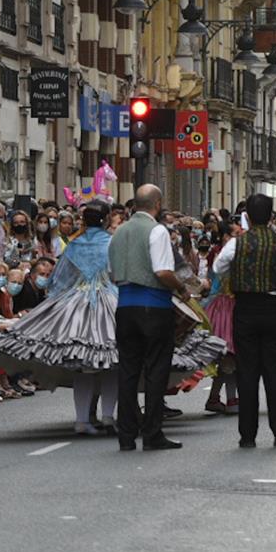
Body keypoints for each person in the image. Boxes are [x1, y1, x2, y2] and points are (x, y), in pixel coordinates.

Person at [0, 202, 119, 436]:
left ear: (84, 220)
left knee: (83, 366)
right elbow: (119, 273)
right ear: (107, 220)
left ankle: (82, 420)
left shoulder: (74, 245)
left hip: (75, 305)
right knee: (111, 362)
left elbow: (59, 280)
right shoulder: (113, 243)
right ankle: (108, 416)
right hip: (109, 302)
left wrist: (59, 304)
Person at [209, 192, 276, 449]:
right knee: (275, 373)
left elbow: (218, 268)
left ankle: (247, 435)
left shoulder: (237, 243)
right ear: (271, 216)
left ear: (246, 215)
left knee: (247, 373)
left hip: (245, 309)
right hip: (274, 308)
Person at [107, 184, 186, 452]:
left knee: (127, 371)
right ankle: (152, 433)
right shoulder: (157, 230)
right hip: (153, 307)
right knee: (155, 371)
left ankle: (126, 435)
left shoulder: (118, 233)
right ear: (158, 203)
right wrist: (182, 288)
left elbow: (111, 273)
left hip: (125, 307)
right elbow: (163, 271)